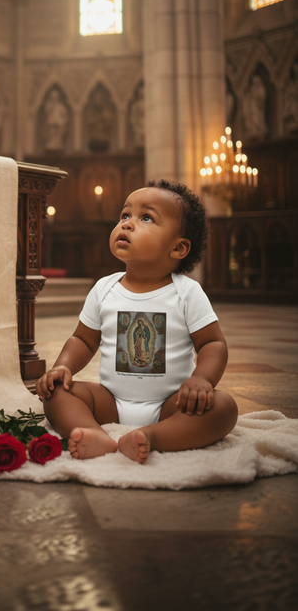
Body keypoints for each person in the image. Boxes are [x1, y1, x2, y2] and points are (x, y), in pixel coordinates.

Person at [36, 179, 238, 464]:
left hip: (172, 403)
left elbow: (212, 343)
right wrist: (63, 366)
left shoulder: (186, 292)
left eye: (146, 218)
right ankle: (93, 434)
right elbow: (83, 339)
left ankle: (154, 436)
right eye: (125, 215)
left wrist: (202, 380)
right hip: (109, 402)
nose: (127, 224)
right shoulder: (104, 288)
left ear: (178, 248)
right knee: (56, 393)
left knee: (224, 407)